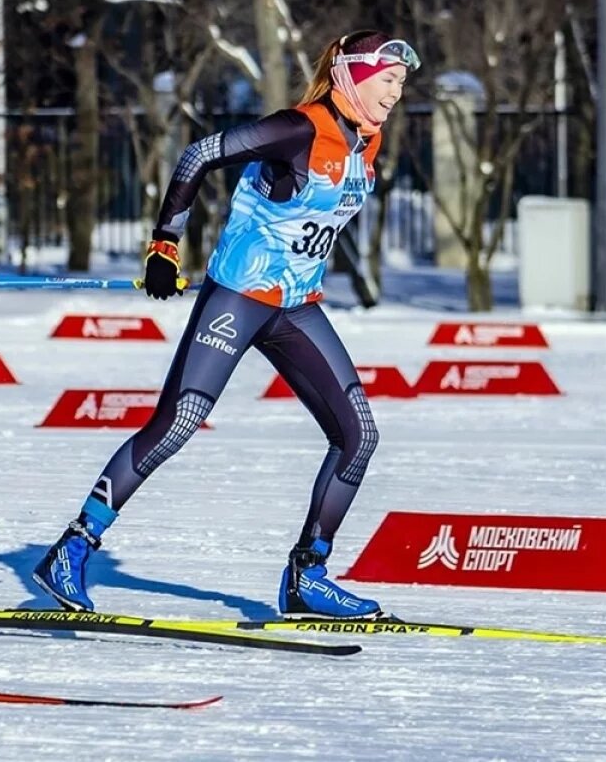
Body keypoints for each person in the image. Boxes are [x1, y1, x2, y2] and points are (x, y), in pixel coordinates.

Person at [34, 31, 420, 619]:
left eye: (400, 83)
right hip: (238, 297)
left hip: (294, 305)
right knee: (178, 423)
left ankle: (307, 578)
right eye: (387, 81)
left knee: (359, 435)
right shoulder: (298, 127)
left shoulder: (367, 140)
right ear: (352, 77)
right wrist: (165, 244)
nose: (395, 93)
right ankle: (71, 549)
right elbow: (198, 156)